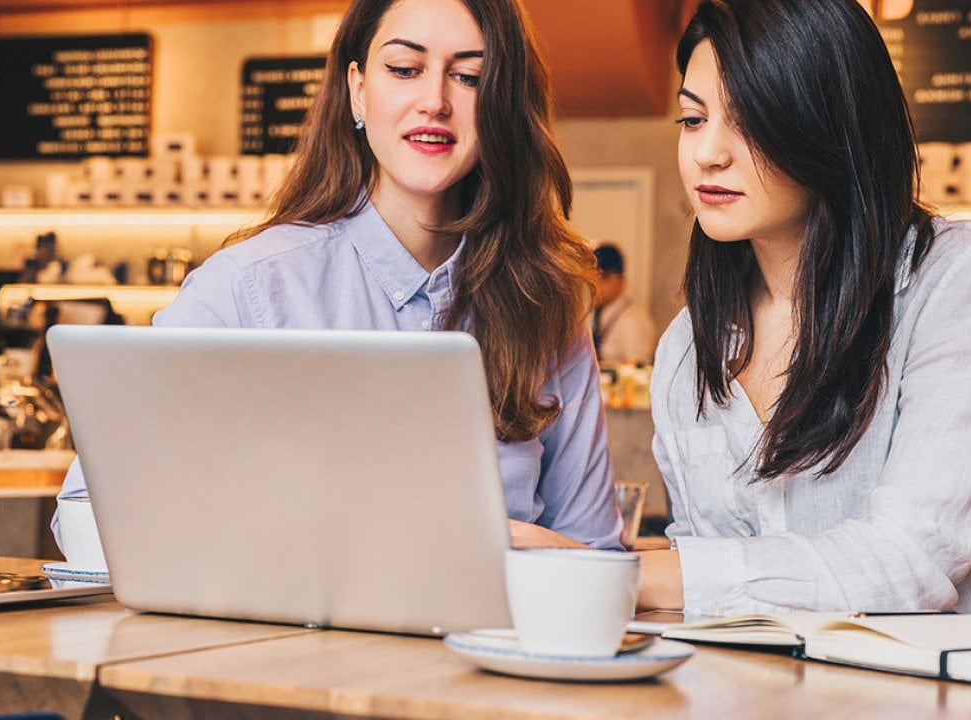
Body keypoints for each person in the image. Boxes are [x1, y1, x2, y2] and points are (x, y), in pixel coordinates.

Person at [54, 0, 622, 551]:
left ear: (504, 102)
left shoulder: (543, 305)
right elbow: (88, 515)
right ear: (357, 88)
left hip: (487, 647)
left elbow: (595, 555)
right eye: (404, 69)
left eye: (470, 77)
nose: (434, 101)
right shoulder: (251, 288)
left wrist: (542, 558)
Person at [633, 0, 971, 619]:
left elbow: (910, 562)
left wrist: (634, 574)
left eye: (750, 119)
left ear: (830, 126)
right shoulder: (687, 347)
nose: (707, 154)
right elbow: (710, 596)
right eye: (693, 120)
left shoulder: (959, 278)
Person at [591, 243, 657, 366]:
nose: (597, 284)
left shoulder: (633, 319)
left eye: (605, 277)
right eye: (592, 277)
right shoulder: (596, 313)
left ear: (622, 280)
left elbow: (639, 369)